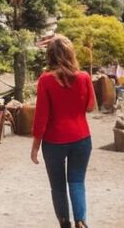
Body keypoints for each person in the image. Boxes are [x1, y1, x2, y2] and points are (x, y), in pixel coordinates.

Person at [31, 34, 96, 228]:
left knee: (58, 186)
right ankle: (81, 221)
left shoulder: (45, 80)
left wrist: (35, 146)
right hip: (81, 138)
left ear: (50, 55)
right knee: (77, 182)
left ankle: (64, 223)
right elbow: (91, 107)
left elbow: (41, 116)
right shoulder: (84, 77)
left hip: (54, 141)